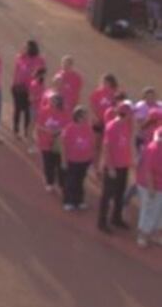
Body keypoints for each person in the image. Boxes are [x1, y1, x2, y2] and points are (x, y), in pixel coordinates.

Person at [99, 101, 134, 233]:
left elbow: (125, 144)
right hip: (113, 167)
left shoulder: (125, 125)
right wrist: (111, 167)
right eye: (129, 114)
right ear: (124, 114)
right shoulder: (112, 127)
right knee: (107, 195)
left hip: (123, 165)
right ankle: (102, 222)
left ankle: (116, 218)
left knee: (120, 193)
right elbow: (106, 148)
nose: (131, 117)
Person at [62, 107, 95, 211]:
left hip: (84, 160)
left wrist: (91, 159)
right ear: (78, 117)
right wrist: (63, 161)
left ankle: (79, 201)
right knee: (71, 181)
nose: (87, 117)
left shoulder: (88, 128)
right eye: (85, 115)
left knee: (80, 181)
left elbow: (91, 144)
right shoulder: (69, 129)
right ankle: (68, 201)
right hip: (73, 160)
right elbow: (64, 146)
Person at [11, 40, 45, 141]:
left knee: (27, 112)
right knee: (17, 110)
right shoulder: (20, 57)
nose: (24, 49)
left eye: (26, 47)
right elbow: (16, 71)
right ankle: (16, 130)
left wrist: (39, 87)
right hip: (18, 88)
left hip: (31, 90)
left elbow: (42, 74)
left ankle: (26, 132)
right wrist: (14, 84)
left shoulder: (40, 60)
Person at [135, 128, 162, 248]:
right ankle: (142, 235)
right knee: (148, 210)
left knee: (159, 211)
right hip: (149, 186)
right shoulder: (154, 149)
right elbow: (148, 171)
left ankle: (155, 234)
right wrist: (151, 188)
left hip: (159, 186)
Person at [36, 93, 69, 192]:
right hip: (45, 142)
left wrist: (58, 131)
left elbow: (67, 127)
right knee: (48, 164)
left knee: (59, 163)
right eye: (51, 100)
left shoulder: (64, 113)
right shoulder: (43, 111)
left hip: (58, 144)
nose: (52, 102)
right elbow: (39, 126)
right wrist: (48, 131)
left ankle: (61, 183)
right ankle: (49, 182)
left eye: (55, 100)